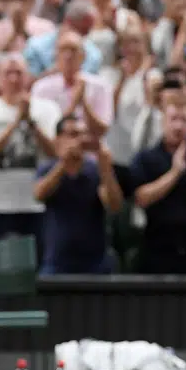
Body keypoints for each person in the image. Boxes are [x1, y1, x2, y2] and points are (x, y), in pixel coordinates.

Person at [0, 54, 61, 242]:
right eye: (8, 73)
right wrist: (16, 122)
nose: (14, 79)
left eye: (19, 73)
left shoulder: (48, 109)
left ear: (28, 77)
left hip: (35, 204)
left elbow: (56, 154)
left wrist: (32, 124)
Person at [129, 98, 186, 273]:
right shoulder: (146, 158)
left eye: (184, 120)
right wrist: (175, 173)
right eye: (173, 119)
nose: (178, 126)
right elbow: (141, 198)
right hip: (157, 249)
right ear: (163, 122)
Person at [32, 115, 123, 274]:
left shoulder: (95, 170)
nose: (79, 140)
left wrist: (106, 170)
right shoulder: (49, 168)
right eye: (73, 135)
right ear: (59, 140)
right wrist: (63, 164)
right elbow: (39, 194)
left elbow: (114, 205)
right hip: (57, 261)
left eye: (83, 135)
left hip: (95, 262)